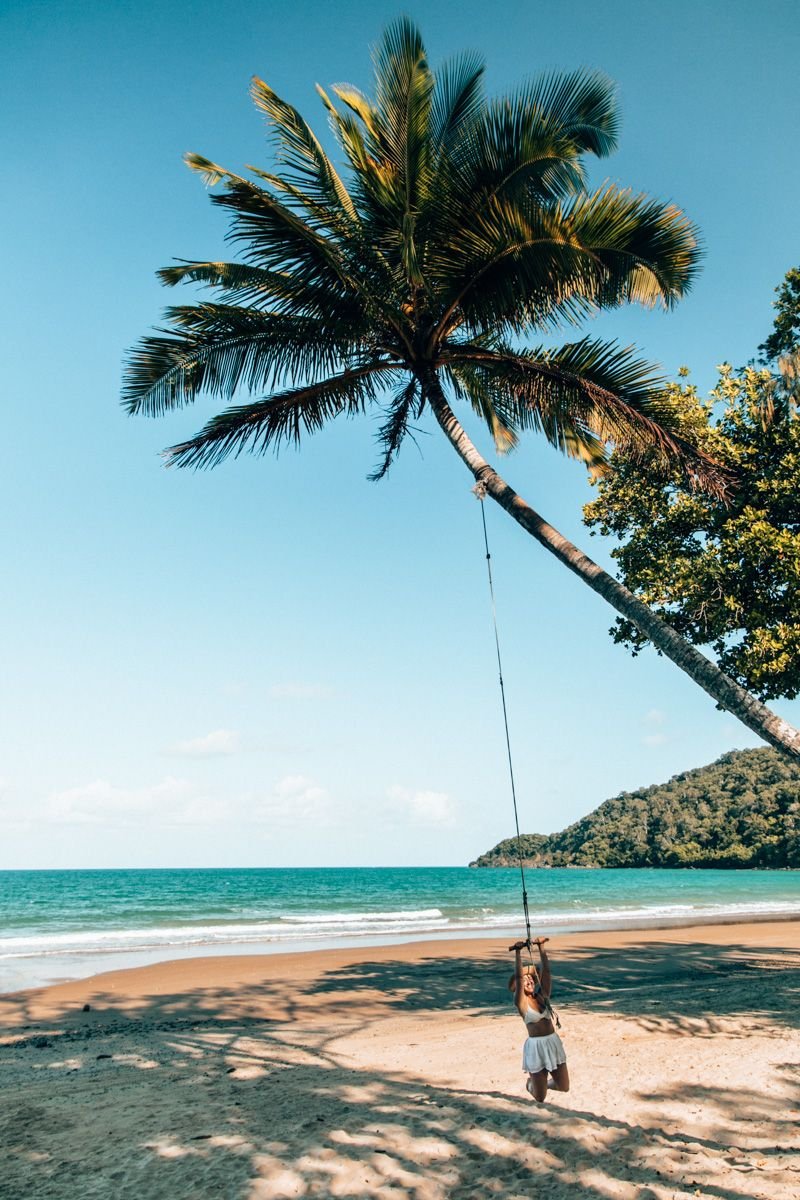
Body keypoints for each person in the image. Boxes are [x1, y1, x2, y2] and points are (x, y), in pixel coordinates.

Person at [509, 936, 569, 1103]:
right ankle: (531, 1085)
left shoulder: (542, 996)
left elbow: (547, 972)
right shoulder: (521, 1003)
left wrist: (541, 947)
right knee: (540, 1097)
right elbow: (520, 979)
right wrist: (518, 952)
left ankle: (543, 1084)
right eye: (525, 979)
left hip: (552, 1042)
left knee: (564, 1086)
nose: (528, 980)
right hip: (536, 1047)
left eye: (531, 978)